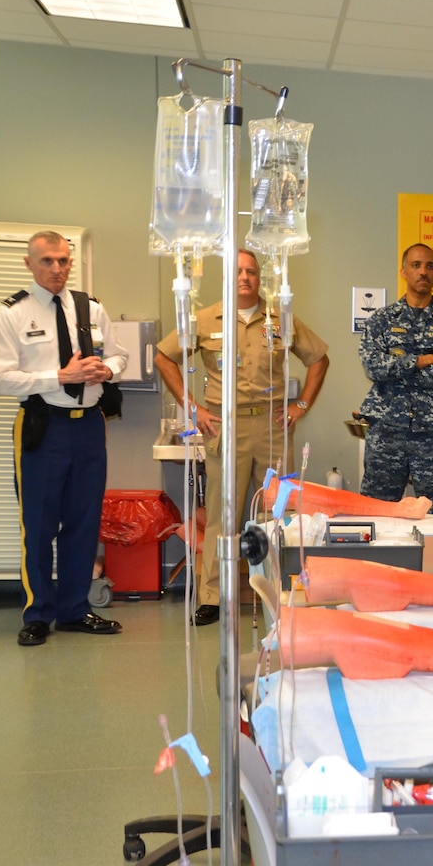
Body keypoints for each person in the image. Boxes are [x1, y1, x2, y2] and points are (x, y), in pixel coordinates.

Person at [155, 248, 330, 626]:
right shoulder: (204, 319)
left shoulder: (281, 319)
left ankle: (281, 591)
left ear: (260, 277)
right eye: (238, 271)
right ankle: (212, 598)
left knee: (277, 514)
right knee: (223, 516)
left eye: (251, 271)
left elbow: (319, 359)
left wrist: (300, 405)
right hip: (226, 427)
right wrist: (193, 409)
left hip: (271, 428)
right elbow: (163, 358)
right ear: (227, 277)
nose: (245, 277)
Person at [0, 231, 127, 646]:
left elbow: (118, 355)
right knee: (39, 523)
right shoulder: (13, 313)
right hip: (42, 425)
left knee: (84, 522)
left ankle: (74, 609)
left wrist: (108, 371)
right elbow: (0, 378)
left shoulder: (90, 307)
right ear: (29, 264)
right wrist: (59, 376)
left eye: (64, 261)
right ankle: (37, 614)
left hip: (88, 424)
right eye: (48, 261)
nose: (57, 269)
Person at [358, 243, 433, 517]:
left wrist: (395, 368)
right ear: (404, 271)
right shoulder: (382, 320)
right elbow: (373, 367)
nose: (424, 272)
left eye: (430, 266)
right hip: (387, 432)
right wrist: (418, 361)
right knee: (376, 512)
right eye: (417, 265)